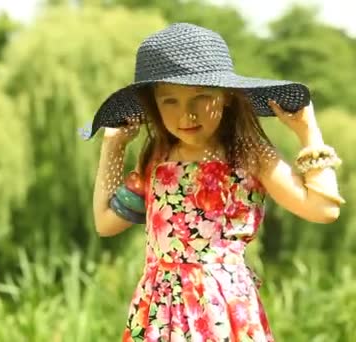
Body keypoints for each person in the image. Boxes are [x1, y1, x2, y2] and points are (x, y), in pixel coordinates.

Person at [79, 23, 345, 341]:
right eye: (169, 101)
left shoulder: (249, 153)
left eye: (201, 97)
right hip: (158, 312)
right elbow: (106, 223)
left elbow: (323, 209)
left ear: (228, 96)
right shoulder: (156, 157)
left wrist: (308, 132)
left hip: (221, 309)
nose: (186, 115)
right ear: (154, 103)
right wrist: (114, 146)